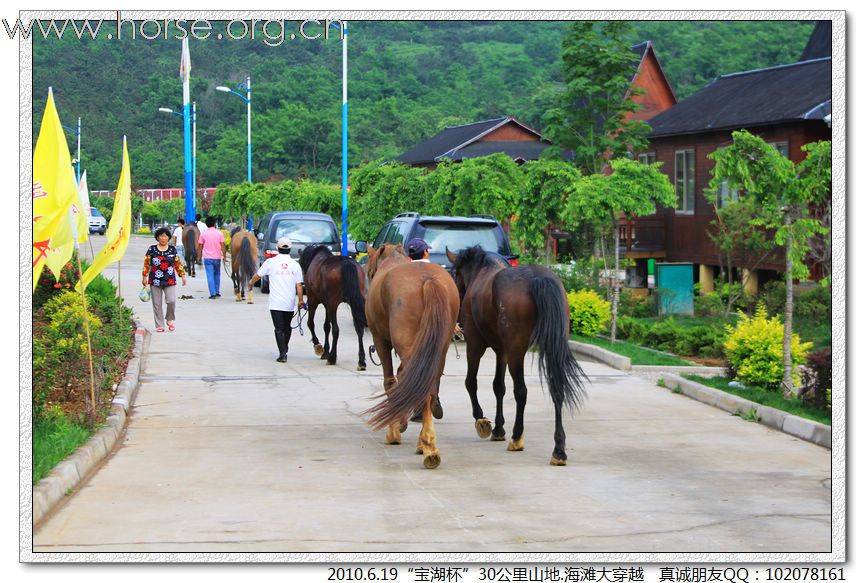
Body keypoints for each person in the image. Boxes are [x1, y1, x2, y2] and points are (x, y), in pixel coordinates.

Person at [249, 237, 305, 363]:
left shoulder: (270, 262)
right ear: (290, 249)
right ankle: (284, 349)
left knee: (279, 328)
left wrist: (251, 282)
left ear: (278, 248)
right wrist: (300, 300)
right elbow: (299, 285)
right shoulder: (295, 265)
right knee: (287, 327)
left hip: (275, 303)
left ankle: (282, 353)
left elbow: (258, 275)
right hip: (289, 303)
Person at [142, 227, 187, 332]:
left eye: (165, 236)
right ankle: (160, 325)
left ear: (168, 237)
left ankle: (170, 319)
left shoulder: (172, 249)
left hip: (169, 280)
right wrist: (144, 277)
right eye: (161, 236)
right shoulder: (151, 249)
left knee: (171, 301)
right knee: (157, 304)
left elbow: (177, 263)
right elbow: (146, 264)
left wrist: (183, 275)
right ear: (157, 237)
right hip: (155, 280)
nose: (163, 238)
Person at [197, 216, 226, 299]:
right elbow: (223, 246)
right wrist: (224, 256)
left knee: (210, 275)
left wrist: (199, 256)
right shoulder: (219, 233)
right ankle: (217, 292)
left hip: (208, 258)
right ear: (214, 223)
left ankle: (212, 293)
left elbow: (200, 246)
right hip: (217, 258)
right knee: (217, 275)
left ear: (206, 224)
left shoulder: (203, 234)